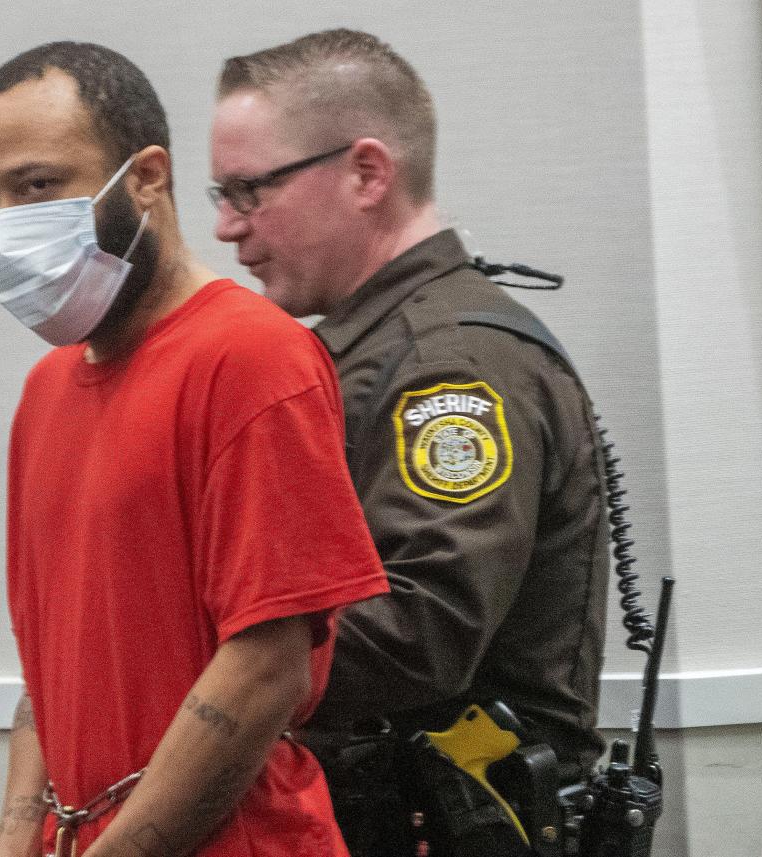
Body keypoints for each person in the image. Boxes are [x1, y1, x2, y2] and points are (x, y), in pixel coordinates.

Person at [0, 41, 389, 857]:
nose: (9, 223)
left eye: (38, 185)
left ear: (147, 176)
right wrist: (18, 834)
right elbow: (55, 669)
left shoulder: (254, 357)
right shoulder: (45, 391)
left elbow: (267, 667)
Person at [209, 29, 611, 855]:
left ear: (366, 173)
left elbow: (419, 627)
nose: (225, 227)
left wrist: (203, 658)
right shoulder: (375, 350)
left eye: (249, 190)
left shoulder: (448, 369)